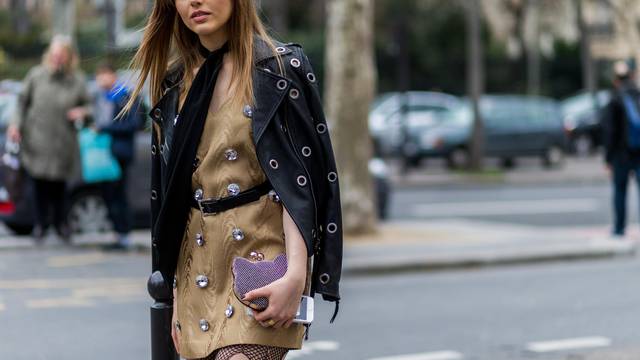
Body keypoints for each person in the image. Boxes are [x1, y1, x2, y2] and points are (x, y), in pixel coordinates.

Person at [125, 0, 343, 359]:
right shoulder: (174, 84)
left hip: (262, 261)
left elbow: (299, 185)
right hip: (197, 268)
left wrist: (297, 277)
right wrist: (175, 294)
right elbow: (172, 200)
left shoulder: (277, 69)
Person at [8, 35, 90, 243]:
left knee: (60, 188)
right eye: (54, 55)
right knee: (38, 187)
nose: (57, 59)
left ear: (69, 57)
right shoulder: (36, 76)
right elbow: (21, 104)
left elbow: (90, 108)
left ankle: (61, 225)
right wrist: (15, 125)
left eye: (61, 55)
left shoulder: (77, 80)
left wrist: (82, 112)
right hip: (36, 142)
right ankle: (40, 225)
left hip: (63, 144)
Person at [93, 62, 142, 250]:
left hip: (120, 153)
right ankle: (117, 233)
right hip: (105, 154)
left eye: (104, 75)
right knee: (108, 195)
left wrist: (105, 128)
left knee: (119, 194)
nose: (101, 80)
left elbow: (133, 125)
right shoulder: (102, 98)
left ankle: (124, 234)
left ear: (112, 75)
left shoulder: (124, 96)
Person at [602, 60, 640, 238]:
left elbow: (609, 132)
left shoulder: (614, 98)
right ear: (631, 76)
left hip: (620, 154)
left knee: (620, 190)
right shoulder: (638, 95)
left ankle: (619, 228)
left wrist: (608, 159)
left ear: (616, 79)